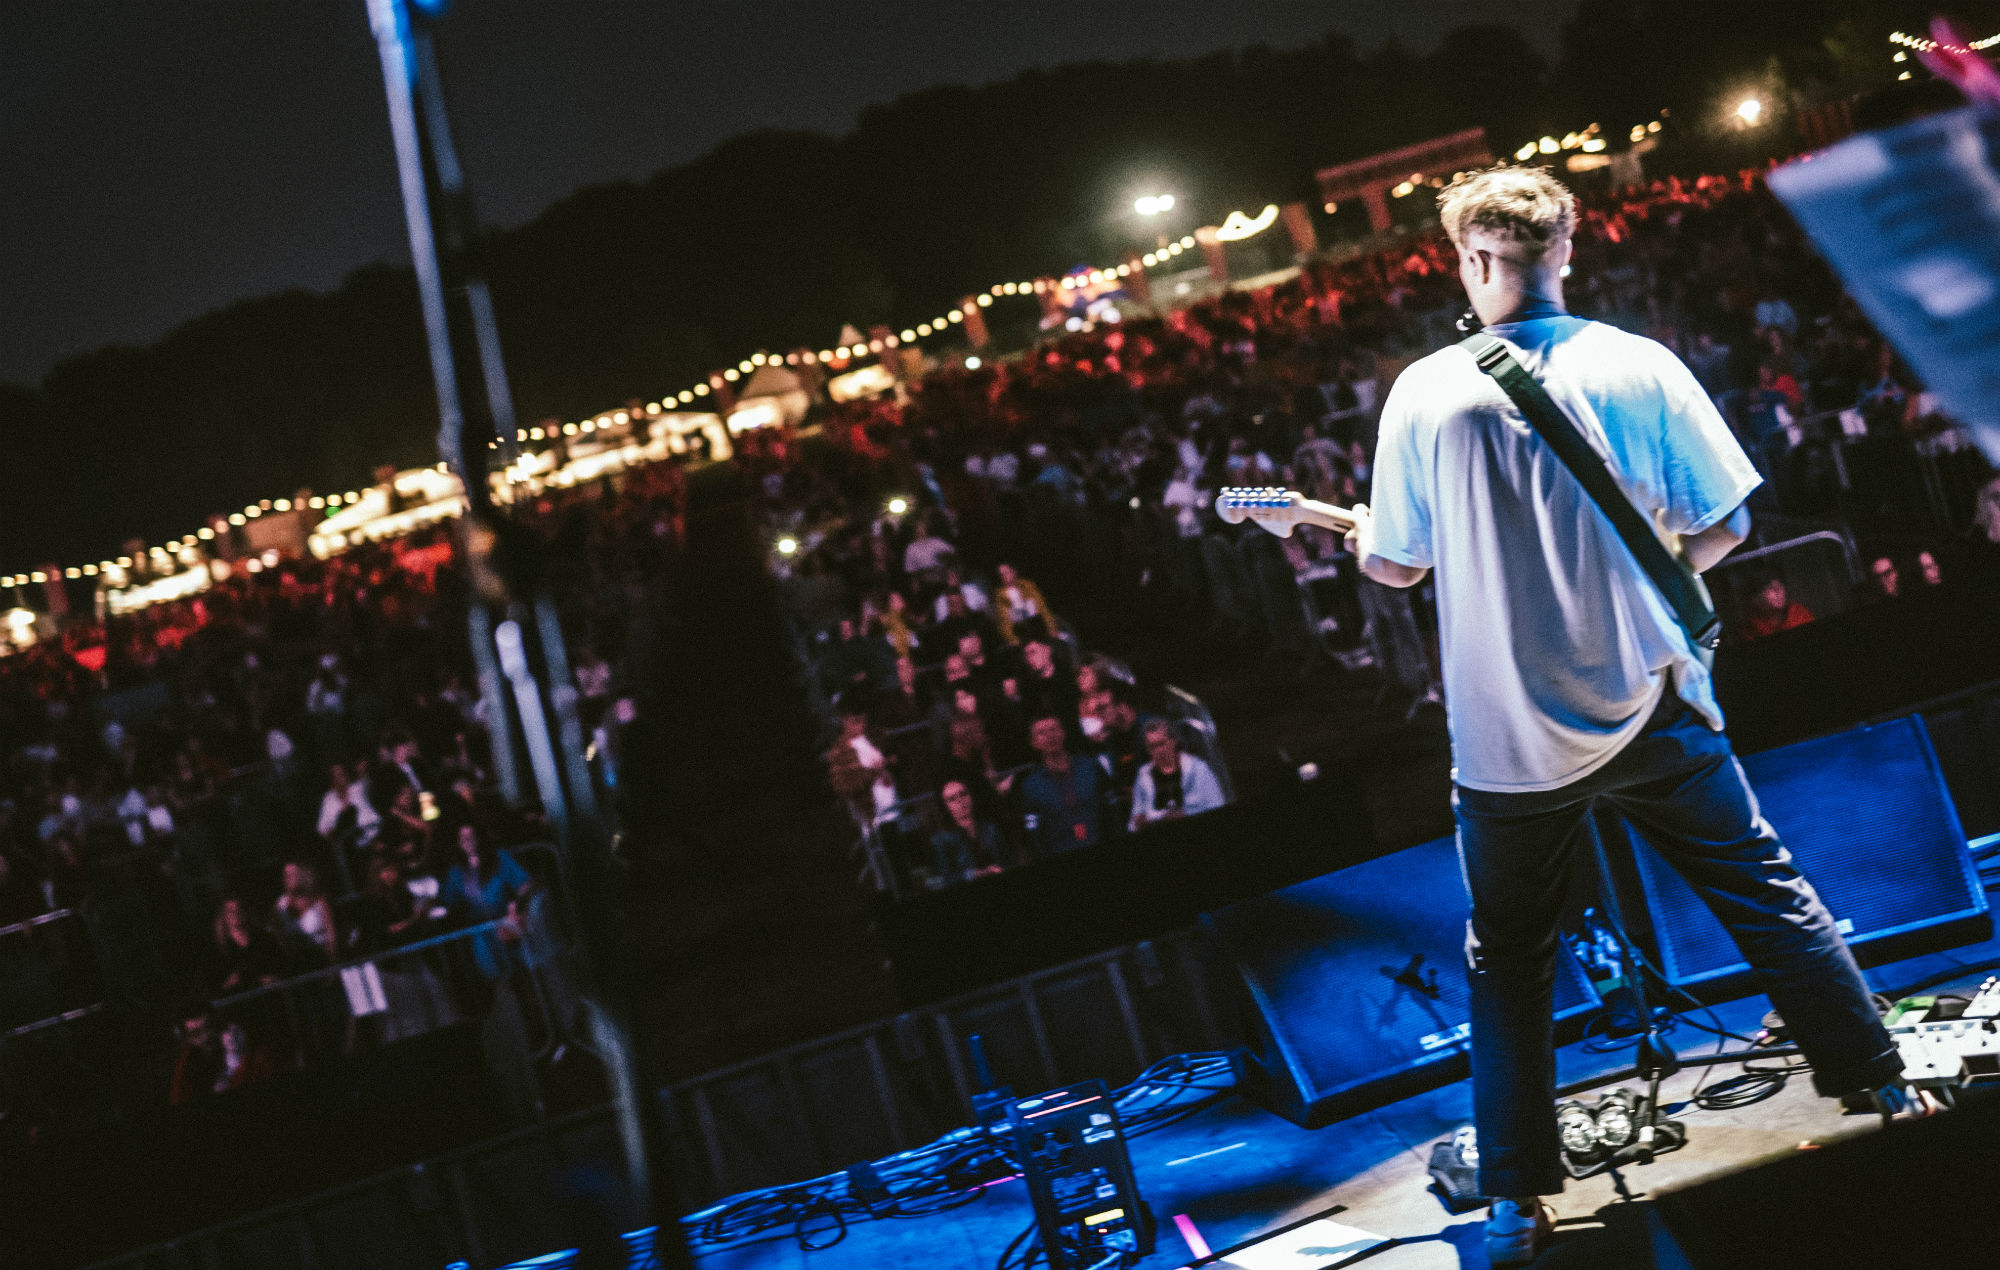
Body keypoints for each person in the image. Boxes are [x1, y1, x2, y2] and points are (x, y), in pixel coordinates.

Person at [1354, 166, 1908, 1266]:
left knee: (1507, 960)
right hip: (1651, 699)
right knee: (1764, 894)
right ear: (1568, 251)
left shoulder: (1423, 390)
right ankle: (1883, 1091)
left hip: (1510, 740)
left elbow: (1393, 564)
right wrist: (1641, 574)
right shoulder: (1637, 363)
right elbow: (1724, 526)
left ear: (1470, 260)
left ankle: (1516, 1204)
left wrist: (1354, 532)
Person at [1016, 714, 1114, 859]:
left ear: (1063, 733)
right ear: (1034, 743)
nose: (1050, 736)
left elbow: (1111, 811)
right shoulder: (1030, 786)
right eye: (1042, 733)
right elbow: (1034, 836)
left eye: (1053, 729)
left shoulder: (1090, 766)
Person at [1127, 718, 1226, 832]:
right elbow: (1133, 823)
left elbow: (1217, 805)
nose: (1158, 751)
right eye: (1152, 747)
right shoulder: (1143, 776)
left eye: (1161, 744)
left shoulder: (1198, 769)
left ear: (1174, 741)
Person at [928, 780, 1006, 885]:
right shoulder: (940, 841)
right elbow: (947, 878)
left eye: (963, 794)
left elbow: (1007, 862)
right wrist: (977, 874)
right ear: (946, 807)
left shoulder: (991, 828)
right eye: (952, 799)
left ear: (971, 796)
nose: (960, 801)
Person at [1740, 575, 1814, 641]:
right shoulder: (1749, 628)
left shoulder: (1800, 613)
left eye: (1780, 586)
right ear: (1756, 598)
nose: (1778, 591)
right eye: (1770, 588)